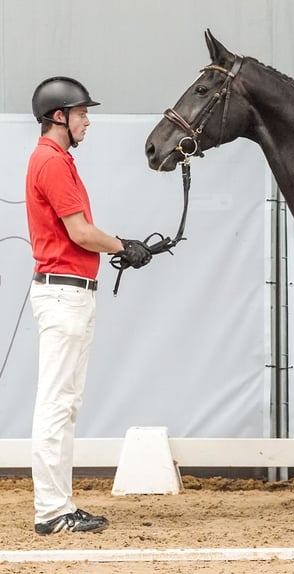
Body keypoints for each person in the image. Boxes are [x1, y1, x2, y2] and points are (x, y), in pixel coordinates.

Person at [25, 76, 152, 535]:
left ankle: (57, 506)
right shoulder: (53, 163)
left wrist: (121, 247)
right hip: (64, 294)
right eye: (81, 113)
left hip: (69, 291)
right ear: (59, 116)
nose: (87, 121)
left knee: (64, 404)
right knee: (57, 405)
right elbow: (80, 232)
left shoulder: (53, 158)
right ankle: (52, 510)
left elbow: (78, 233)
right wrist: (124, 246)